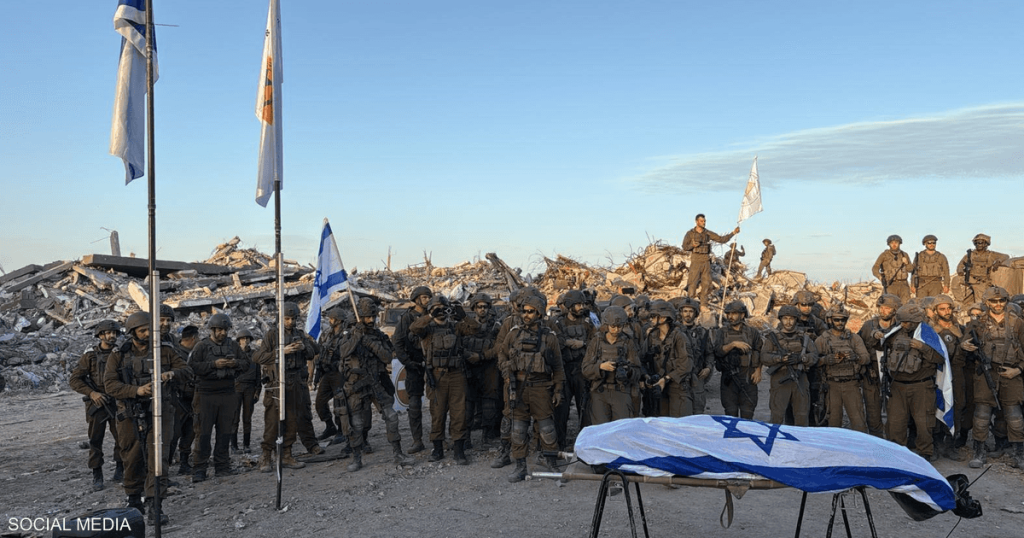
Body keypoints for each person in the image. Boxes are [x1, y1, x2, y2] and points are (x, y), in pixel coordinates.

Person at [103, 312, 190, 525]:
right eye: (142, 331)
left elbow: (187, 370)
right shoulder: (119, 354)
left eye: (150, 329)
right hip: (130, 413)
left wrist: (171, 374)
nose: (148, 334)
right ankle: (134, 500)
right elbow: (110, 384)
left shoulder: (165, 350)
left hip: (160, 412)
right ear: (132, 332)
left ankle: (155, 504)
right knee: (131, 456)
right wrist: (136, 390)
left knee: (158, 458)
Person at [338, 298, 416, 471]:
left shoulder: (379, 336)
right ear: (359, 317)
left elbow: (388, 357)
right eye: (367, 317)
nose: (371, 320)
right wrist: (357, 337)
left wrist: (371, 343)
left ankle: (398, 453)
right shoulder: (349, 335)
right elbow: (343, 352)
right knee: (357, 423)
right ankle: (357, 458)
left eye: (373, 316)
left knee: (392, 416)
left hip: (376, 381)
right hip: (357, 384)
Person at [499, 291, 564, 482]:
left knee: (547, 428)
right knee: (518, 430)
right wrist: (506, 372)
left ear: (539, 313)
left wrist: (558, 389)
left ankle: (550, 461)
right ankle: (520, 466)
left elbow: (558, 366)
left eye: (530, 311)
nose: (526, 315)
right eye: (524, 311)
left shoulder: (549, 337)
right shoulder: (513, 334)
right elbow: (502, 355)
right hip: (518, 388)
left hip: (541, 387)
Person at [253, 302, 322, 473]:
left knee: (292, 420)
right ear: (281, 319)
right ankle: (266, 456)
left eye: (293, 319)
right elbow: (258, 357)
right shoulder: (272, 335)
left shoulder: (299, 334)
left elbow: (313, 353)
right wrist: (281, 352)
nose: (291, 322)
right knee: (272, 422)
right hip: (277, 384)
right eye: (287, 319)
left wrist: (303, 347)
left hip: (296, 382)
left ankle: (286, 454)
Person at [410, 295, 477, 465]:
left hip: (456, 375)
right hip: (437, 375)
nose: (440, 311)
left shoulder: (455, 327)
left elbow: (475, 329)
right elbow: (414, 328)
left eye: (443, 307)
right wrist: (430, 316)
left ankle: (459, 449)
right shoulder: (427, 328)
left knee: (459, 413)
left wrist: (463, 315)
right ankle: (437, 448)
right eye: (436, 307)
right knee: (437, 413)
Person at [961, 287, 1024, 469]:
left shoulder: (1017, 323)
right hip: (985, 373)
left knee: (1015, 416)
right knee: (981, 415)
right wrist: (965, 345)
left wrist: (1018, 370)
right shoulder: (978, 323)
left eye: (1002, 300)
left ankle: (1018, 454)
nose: (998, 304)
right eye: (994, 301)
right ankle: (979, 453)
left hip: (1010, 373)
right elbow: (964, 343)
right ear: (987, 302)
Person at [188, 313, 250, 482]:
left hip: (227, 393)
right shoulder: (201, 346)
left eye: (225, 330)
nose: (223, 333)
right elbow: (192, 367)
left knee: (225, 432)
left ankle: (222, 466)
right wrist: (213, 365)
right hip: (205, 395)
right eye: (220, 330)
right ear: (212, 330)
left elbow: (246, 363)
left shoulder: (233, 346)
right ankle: (199, 469)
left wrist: (234, 363)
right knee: (203, 434)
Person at [69, 319, 124, 492]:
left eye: (114, 333)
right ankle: (97, 473)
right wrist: (92, 393)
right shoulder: (90, 356)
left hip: (116, 401)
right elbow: (74, 380)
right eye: (108, 333)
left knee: (122, 438)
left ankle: (120, 469)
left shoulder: (120, 354)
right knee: (95, 440)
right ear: (100, 335)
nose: (112, 336)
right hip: (97, 404)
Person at [884, 303, 944, 461]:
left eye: (907, 322)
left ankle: (925, 454)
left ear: (916, 322)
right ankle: (897, 456)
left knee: (924, 423)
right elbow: (881, 345)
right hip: (898, 386)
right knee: (896, 423)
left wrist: (923, 347)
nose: (904, 325)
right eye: (902, 322)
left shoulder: (928, 335)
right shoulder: (894, 334)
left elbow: (940, 358)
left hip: (921, 387)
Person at [391, 286, 433, 454]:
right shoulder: (407, 318)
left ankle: (439, 438)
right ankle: (417, 440)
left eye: (429, 297)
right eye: (424, 297)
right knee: (414, 404)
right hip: (414, 364)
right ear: (416, 299)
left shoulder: (433, 315)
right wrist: (407, 362)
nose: (427, 300)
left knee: (437, 403)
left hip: (432, 364)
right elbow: (398, 342)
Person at [815, 306, 870, 432]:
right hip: (832, 385)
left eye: (843, 320)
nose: (840, 323)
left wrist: (855, 357)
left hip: (851, 384)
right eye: (836, 320)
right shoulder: (823, 339)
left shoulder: (854, 338)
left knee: (858, 421)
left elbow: (866, 358)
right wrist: (826, 359)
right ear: (831, 320)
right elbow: (812, 361)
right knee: (834, 422)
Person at [459, 293, 503, 447]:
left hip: (488, 368)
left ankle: (487, 436)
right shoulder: (465, 326)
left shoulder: (496, 327)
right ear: (474, 308)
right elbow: (458, 345)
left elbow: (498, 347)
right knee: (468, 404)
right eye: (479, 307)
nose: (482, 309)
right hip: (470, 368)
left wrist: (481, 356)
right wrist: (468, 356)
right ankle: (466, 438)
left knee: (489, 403)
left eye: (485, 307)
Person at [552, 290, 595, 448]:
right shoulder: (557, 322)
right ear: (569, 305)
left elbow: (595, 342)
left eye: (582, 304)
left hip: (582, 370)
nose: (581, 307)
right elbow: (556, 342)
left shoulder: (588, 322)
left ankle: (585, 444)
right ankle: (560, 444)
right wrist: (567, 343)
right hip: (564, 369)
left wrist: (582, 344)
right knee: (561, 409)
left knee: (584, 409)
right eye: (578, 304)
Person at [762, 306, 817, 426]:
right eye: (785, 318)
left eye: (791, 318)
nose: (788, 322)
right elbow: (764, 357)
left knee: (802, 416)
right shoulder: (772, 338)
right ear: (780, 319)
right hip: (780, 379)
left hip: (799, 378)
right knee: (777, 416)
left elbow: (814, 356)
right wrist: (780, 359)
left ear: (796, 320)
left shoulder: (804, 338)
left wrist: (801, 358)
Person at [858, 294, 902, 438]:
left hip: (894, 375)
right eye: (881, 307)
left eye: (887, 308)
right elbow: (858, 345)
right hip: (872, 374)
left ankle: (893, 440)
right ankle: (876, 439)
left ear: (895, 309)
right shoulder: (868, 326)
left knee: (895, 411)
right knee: (872, 409)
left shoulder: (901, 327)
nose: (883, 311)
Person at [929, 295, 967, 459]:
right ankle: (936, 444)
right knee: (937, 406)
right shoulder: (929, 330)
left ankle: (950, 445)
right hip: (937, 373)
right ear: (936, 311)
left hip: (957, 373)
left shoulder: (961, 330)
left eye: (949, 308)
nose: (946, 312)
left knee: (957, 406)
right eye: (942, 309)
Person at [642, 300, 692, 417]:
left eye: (654, 316)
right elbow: (642, 359)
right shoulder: (652, 336)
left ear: (663, 318)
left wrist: (667, 378)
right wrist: (646, 376)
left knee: (678, 422)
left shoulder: (679, 337)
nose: (651, 319)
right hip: (658, 387)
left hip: (677, 387)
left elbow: (686, 365)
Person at [713, 301, 763, 419]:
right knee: (730, 413)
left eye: (734, 313)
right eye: (728, 314)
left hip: (747, 376)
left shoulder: (752, 332)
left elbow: (759, 351)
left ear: (742, 315)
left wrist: (758, 371)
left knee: (747, 412)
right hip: (729, 377)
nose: (730, 317)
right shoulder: (721, 332)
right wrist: (733, 345)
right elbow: (717, 351)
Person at [313, 307, 352, 449]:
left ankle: (342, 431)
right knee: (319, 403)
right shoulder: (327, 334)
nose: (330, 321)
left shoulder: (346, 335)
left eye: (332, 318)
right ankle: (330, 426)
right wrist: (317, 375)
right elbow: (320, 353)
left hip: (338, 374)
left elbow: (347, 356)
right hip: (326, 373)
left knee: (339, 404)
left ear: (338, 320)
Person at [682, 213, 739, 304]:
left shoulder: (708, 233)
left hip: (706, 260)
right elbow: (684, 247)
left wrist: (733, 233)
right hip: (696, 259)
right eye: (701, 221)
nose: (704, 222)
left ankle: (703, 304)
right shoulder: (690, 234)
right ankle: (690, 304)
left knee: (707, 284)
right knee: (692, 283)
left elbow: (721, 239)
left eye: (704, 221)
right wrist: (692, 245)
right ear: (696, 222)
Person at [672, 297, 714, 414]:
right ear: (681, 313)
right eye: (685, 311)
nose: (688, 314)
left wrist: (708, 368)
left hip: (697, 375)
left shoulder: (703, 332)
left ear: (695, 314)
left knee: (698, 409)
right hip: (679, 377)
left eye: (691, 311)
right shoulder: (674, 332)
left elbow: (709, 353)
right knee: (679, 411)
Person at [168, 324, 199, 476]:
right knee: (174, 434)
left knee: (190, 432)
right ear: (193, 338)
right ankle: (166, 465)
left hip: (192, 399)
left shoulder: (195, 353)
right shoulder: (175, 353)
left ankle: (184, 462)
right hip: (178, 399)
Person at [231, 328, 261, 454]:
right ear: (239, 341)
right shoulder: (234, 355)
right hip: (236, 388)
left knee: (247, 418)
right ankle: (234, 446)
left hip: (250, 388)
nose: (245, 341)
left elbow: (258, 375)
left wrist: (257, 391)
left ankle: (246, 445)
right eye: (243, 339)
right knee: (234, 418)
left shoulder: (254, 355)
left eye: (247, 338)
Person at [956, 234, 1009, 304]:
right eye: (976, 243)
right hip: (970, 278)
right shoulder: (970, 255)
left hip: (982, 281)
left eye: (980, 242)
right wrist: (960, 271)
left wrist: (998, 261)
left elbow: (1006, 256)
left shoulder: (991, 255)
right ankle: (959, 300)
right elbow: (960, 265)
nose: (978, 244)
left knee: (979, 301)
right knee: (955, 280)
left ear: (985, 244)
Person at [872, 235, 915, 303]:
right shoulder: (884, 255)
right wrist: (880, 277)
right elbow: (875, 268)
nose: (894, 245)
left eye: (896, 243)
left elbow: (911, 270)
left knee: (905, 305)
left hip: (903, 285)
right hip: (890, 285)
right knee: (890, 304)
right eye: (892, 243)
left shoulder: (904, 255)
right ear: (889, 244)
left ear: (899, 244)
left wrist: (907, 263)